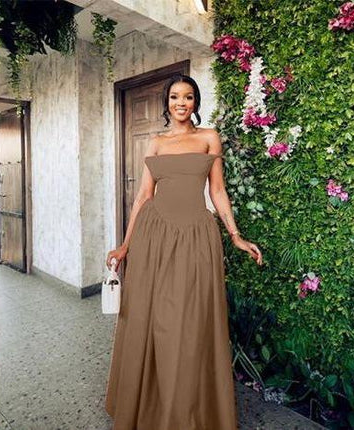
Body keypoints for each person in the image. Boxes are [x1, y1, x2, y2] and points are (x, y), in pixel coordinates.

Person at [104, 73, 263, 430]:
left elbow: (218, 190)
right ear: (167, 102)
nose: (181, 103)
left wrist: (235, 235)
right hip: (154, 236)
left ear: (195, 102)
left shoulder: (209, 138)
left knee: (189, 320)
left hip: (196, 236)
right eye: (175, 96)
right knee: (151, 317)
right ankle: (148, 404)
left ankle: (187, 408)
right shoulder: (156, 143)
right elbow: (143, 196)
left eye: (188, 97)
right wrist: (126, 244)